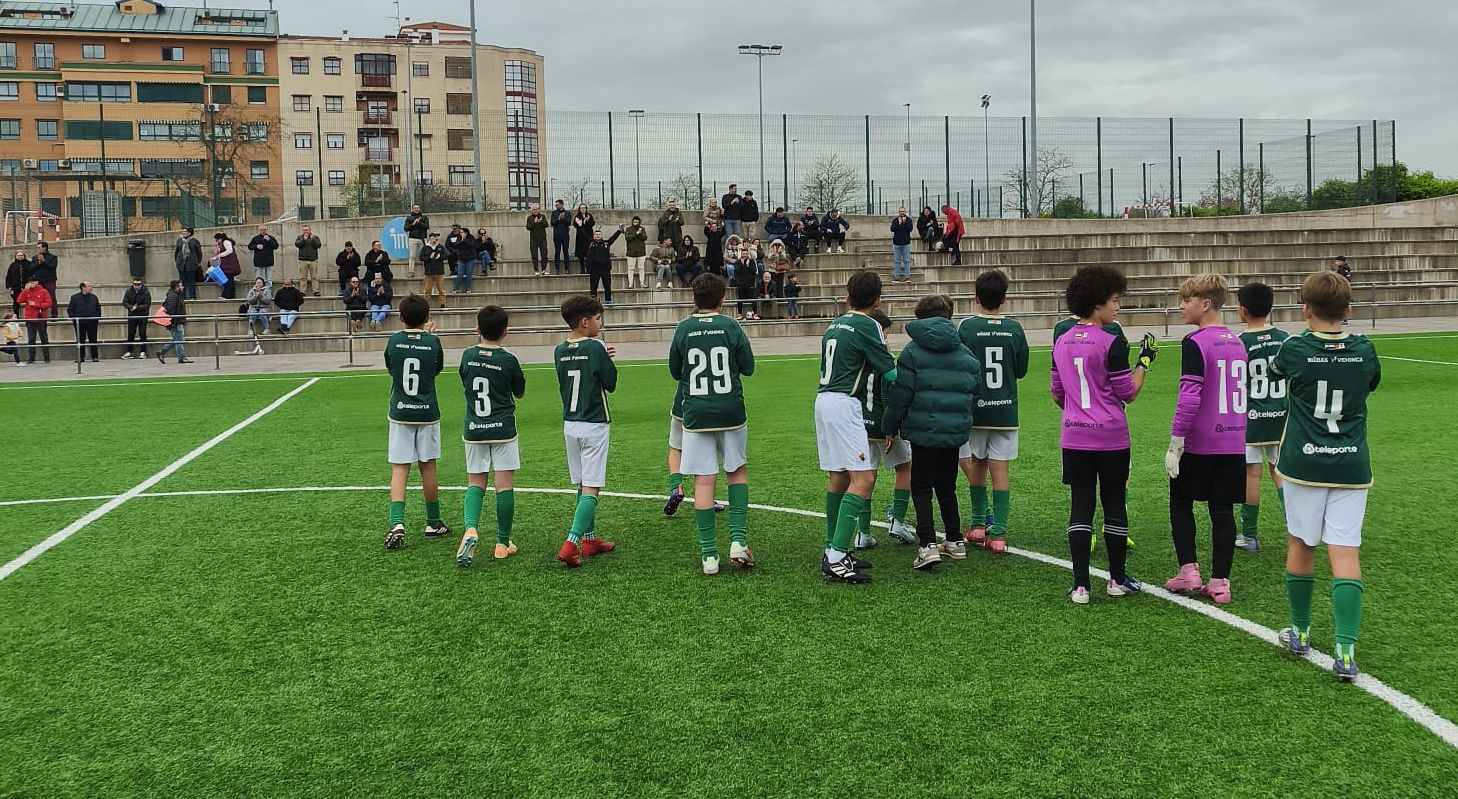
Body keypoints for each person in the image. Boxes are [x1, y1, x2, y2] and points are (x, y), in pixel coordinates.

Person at [1272, 270, 1380, 681]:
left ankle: (1299, 631)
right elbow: (1369, 382)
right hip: (1352, 462)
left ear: (1305, 308)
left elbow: (1284, 373)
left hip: (1304, 462)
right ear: (1348, 310)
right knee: (1346, 550)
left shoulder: (1295, 349)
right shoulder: (1365, 350)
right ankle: (1345, 650)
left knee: (1301, 542)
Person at [1051, 265, 1158, 603]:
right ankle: (1116, 579)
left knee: (1080, 504)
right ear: (1097, 303)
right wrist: (1144, 363)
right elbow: (1128, 392)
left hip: (1075, 436)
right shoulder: (1111, 342)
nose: (1118, 307)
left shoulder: (1061, 341)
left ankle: (1080, 584)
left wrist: (1077, 414)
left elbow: (1057, 392)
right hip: (1111, 436)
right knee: (1113, 503)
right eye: (1114, 300)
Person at [1161, 274, 1248, 606]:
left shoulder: (1195, 342)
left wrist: (1176, 439)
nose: (1181, 306)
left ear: (1205, 304)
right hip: (1233, 442)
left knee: (1181, 501)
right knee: (1222, 509)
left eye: (1187, 300)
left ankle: (1188, 570)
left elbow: (1190, 394)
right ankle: (1220, 581)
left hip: (1201, 441)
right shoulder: (1238, 342)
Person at [883, 294, 982, 570]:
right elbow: (975, 389)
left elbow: (900, 395)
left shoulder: (913, 353)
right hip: (954, 431)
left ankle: (927, 544)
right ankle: (954, 540)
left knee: (922, 486)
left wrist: (890, 428)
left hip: (923, 430)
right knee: (947, 486)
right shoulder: (966, 353)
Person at [667, 273, 757, 575]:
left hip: (696, 414)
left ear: (694, 300)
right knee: (736, 471)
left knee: (704, 480)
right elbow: (749, 367)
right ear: (723, 299)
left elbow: (675, 372)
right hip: (731, 410)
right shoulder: (731, 325)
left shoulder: (683, 328)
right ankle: (738, 541)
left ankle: (708, 556)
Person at [816, 271, 900, 583]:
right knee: (863, 478)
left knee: (839, 477)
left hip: (824, 400)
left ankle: (832, 548)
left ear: (848, 296)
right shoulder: (870, 324)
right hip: (844, 405)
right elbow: (888, 372)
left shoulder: (834, 323)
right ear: (878, 299)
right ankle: (837, 555)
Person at [957, 270, 1030, 553]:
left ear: (976, 297)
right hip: (1005, 410)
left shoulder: (966, 327)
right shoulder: (1014, 328)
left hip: (976, 409)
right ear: (1005, 298)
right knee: (1000, 469)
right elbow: (1021, 370)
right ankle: (998, 533)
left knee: (977, 463)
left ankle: (977, 526)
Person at [454, 305, 528, 567]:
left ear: (477, 329)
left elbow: (465, 381)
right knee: (504, 485)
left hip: (474, 428)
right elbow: (519, 391)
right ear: (505, 331)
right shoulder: (508, 359)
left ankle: (471, 529)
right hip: (503, 429)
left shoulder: (466, 356)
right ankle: (502, 542)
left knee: (476, 482)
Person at [554, 294, 619, 568]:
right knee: (592, 487)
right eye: (597, 319)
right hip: (594, 422)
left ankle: (590, 540)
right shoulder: (595, 347)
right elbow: (611, 382)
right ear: (584, 322)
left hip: (571, 423)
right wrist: (606, 357)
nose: (599, 324)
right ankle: (571, 542)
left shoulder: (559, 350)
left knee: (582, 483)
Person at [380, 294, 448, 549]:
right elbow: (436, 369)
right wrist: (429, 337)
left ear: (400, 318)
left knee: (400, 468)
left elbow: (391, 368)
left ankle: (397, 523)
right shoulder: (433, 343)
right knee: (427, 465)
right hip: (427, 412)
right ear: (428, 318)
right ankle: (433, 521)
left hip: (400, 411)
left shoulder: (394, 340)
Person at [854, 310, 915, 548]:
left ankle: (863, 533)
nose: (886, 339)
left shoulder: (855, 358)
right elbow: (888, 394)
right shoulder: (883, 357)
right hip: (882, 423)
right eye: (885, 334)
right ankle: (897, 520)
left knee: (866, 475)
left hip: (860, 424)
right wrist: (892, 428)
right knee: (905, 467)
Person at [1235, 281, 1289, 553]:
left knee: (1251, 475)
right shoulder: (1286, 338)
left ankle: (1250, 536)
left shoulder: (1240, 343)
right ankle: (1297, 532)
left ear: (1242, 310)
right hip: (1282, 415)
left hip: (1252, 416)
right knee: (1281, 473)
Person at [583, 225, 624, 305]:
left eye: (599, 234)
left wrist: (619, 231)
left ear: (601, 235)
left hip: (605, 268)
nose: (598, 236)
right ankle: (594, 302)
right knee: (594, 286)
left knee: (607, 286)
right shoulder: (591, 243)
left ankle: (608, 300)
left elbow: (613, 238)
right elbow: (583, 235)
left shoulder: (606, 243)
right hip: (594, 269)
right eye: (596, 234)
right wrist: (580, 226)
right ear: (594, 236)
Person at [156, 279, 192, 364]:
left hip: (176, 321)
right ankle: (181, 357)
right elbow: (171, 310)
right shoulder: (173, 296)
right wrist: (173, 322)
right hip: (176, 321)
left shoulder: (175, 295)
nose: (182, 287)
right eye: (181, 285)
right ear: (176, 287)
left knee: (177, 339)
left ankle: (162, 352)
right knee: (179, 339)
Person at [17, 278, 51, 363]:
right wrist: (25, 290)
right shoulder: (27, 291)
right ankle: (31, 357)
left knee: (44, 338)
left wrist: (36, 304)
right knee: (31, 339)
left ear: (37, 283)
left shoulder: (43, 291)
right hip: (30, 318)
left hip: (40, 317)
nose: (31, 284)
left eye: (32, 282)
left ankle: (46, 356)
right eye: (29, 282)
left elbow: (49, 303)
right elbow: (19, 300)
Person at [66, 281, 101, 362]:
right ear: (83, 287)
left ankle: (95, 356)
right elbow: (70, 310)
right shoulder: (75, 297)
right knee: (80, 340)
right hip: (80, 323)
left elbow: (98, 309)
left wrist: (96, 317)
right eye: (89, 286)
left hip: (92, 322)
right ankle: (81, 357)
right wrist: (75, 318)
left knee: (93, 339)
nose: (91, 287)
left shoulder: (94, 297)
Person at [120, 276, 151, 359]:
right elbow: (124, 302)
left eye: (138, 284)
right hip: (132, 315)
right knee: (131, 333)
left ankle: (143, 351)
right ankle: (129, 351)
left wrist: (137, 307)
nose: (136, 286)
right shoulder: (129, 291)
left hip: (142, 315)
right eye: (135, 284)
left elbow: (147, 305)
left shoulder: (146, 292)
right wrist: (131, 307)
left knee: (142, 333)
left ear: (141, 284)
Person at [446, 224, 478, 295]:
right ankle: (456, 288)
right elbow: (456, 245)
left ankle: (468, 288)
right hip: (461, 259)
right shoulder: (458, 238)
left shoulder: (471, 237)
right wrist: (462, 240)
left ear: (466, 233)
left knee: (468, 274)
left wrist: (465, 239)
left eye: (462, 232)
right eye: (460, 232)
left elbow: (471, 245)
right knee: (459, 274)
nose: (460, 234)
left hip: (470, 259)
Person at [419, 232, 448, 309]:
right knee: (427, 290)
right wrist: (429, 257)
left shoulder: (440, 247)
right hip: (429, 272)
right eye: (432, 238)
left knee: (441, 290)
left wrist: (440, 256)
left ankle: (443, 304)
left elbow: (445, 256)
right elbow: (421, 257)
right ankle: (426, 305)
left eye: (435, 238)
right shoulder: (425, 248)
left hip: (439, 271)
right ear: (429, 238)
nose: (434, 240)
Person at [174, 227, 203, 300]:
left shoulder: (194, 241)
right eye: (183, 231)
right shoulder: (180, 240)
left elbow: (199, 252)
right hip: (181, 264)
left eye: (185, 231)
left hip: (191, 263)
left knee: (191, 280)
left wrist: (198, 261)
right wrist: (177, 260)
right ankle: (182, 296)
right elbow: (177, 251)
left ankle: (192, 296)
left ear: (189, 233)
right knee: (182, 281)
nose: (183, 232)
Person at [731, 246, 759, 320]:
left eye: (746, 254)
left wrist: (747, 265)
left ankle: (755, 313)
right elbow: (736, 271)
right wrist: (742, 265)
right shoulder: (738, 262)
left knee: (753, 299)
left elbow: (754, 271)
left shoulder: (752, 262)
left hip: (750, 284)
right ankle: (740, 314)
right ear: (741, 254)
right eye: (743, 254)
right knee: (740, 299)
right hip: (741, 284)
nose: (745, 255)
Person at [294, 225, 322, 297]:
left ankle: (316, 291)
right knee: (303, 277)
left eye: (307, 230)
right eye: (304, 230)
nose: (305, 232)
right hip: (303, 260)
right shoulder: (300, 237)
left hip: (313, 260)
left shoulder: (315, 237)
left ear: (310, 230)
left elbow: (318, 245)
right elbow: (297, 244)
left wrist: (313, 239)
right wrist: (304, 239)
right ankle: (302, 291)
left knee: (314, 277)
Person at [623, 216, 650, 289]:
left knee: (641, 268)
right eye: (634, 222)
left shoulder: (642, 229)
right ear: (632, 222)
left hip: (641, 252)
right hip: (631, 253)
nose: (636, 223)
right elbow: (628, 238)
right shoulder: (628, 229)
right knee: (631, 269)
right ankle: (630, 283)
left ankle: (642, 283)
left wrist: (640, 233)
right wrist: (636, 233)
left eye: (637, 222)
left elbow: (645, 238)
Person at [32, 242, 58, 317]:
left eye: (39, 247)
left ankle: (54, 315)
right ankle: (38, 314)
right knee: (37, 298)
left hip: (49, 280)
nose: (37, 249)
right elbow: (31, 269)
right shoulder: (35, 258)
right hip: (38, 281)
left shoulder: (53, 257)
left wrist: (44, 261)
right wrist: (39, 263)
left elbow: (52, 267)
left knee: (52, 297)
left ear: (44, 248)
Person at [212, 232, 241, 300]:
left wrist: (219, 255)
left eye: (217, 240)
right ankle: (230, 294)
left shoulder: (226, 242)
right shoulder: (222, 244)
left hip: (229, 264)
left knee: (227, 280)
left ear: (220, 239)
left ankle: (227, 294)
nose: (216, 242)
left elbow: (229, 251)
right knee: (229, 279)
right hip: (227, 264)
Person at [404, 204, 430, 276]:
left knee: (425, 255)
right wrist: (413, 224)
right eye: (415, 208)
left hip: (422, 238)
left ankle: (427, 271)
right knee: (412, 255)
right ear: (412, 209)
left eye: (417, 208)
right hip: (412, 238)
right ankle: (411, 271)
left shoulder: (424, 217)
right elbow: (406, 228)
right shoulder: (409, 218)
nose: (416, 209)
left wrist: (420, 222)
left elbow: (427, 227)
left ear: (420, 209)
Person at [890, 207, 914, 282]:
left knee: (906, 261)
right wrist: (899, 223)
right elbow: (892, 229)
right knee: (897, 261)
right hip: (896, 243)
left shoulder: (909, 220)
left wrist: (905, 223)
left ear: (905, 212)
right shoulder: (895, 220)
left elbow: (910, 229)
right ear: (898, 212)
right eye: (901, 211)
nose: (902, 213)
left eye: (903, 211)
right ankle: (897, 277)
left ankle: (907, 276)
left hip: (906, 243)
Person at [525, 203, 549, 276]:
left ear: (539, 210)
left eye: (537, 209)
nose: (535, 211)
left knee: (544, 254)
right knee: (534, 255)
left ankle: (544, 270)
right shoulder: (529, 218)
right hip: (533, 240)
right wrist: (534, 223)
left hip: (542, 239)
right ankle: (536, 270)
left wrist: (541, 221)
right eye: (534, 209)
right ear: (532, 210)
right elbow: (528, 227)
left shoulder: (543, 216)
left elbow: (546, 225)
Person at [550, 199, 572, 274]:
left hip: (565, 235)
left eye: (557, 205)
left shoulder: (567, 213)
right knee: (557, 251)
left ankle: (567, 268)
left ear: (562, 205)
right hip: (557, 235)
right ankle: (557, 268)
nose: (556, 206)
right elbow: (552, 222)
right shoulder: (554, 213)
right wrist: (559, 219)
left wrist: (564, 218)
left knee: (565, 251)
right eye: (555, 205)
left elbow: (568, 223)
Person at [572, 204, 595, 273]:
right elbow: (576, 225)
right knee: (581, 253)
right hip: (581, 237)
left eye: (584, 208)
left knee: (589, 252)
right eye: (581, 208)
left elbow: (593, 223)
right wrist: (580, 223)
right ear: (579, 209)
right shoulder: (577, 216)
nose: (583, 209)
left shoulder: (589, 215)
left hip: (589, 236)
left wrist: (587, 221)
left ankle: (588, 268)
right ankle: (582, 269)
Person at [6, 250, 28, 315]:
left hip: (27, 287)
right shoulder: (12, 265)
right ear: (15, 256)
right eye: (18, 255)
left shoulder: (28, 264)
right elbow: (9, 276)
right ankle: (16, 317)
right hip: (16, 287)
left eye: (21, 255)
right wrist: (8, 286)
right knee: (16, 302)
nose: (20, 257)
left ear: (24, 256)